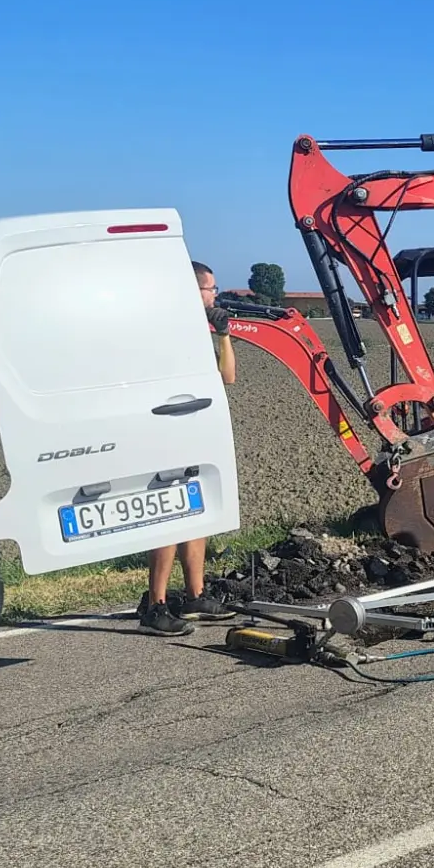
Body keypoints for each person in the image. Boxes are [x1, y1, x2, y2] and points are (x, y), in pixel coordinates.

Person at [140, 261, 240, 635]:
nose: (215, 294)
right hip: (166, 430)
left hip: (196, 430)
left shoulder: (203, 331)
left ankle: (195, 595)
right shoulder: (166, 330)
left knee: (196, 514)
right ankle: (155, 604)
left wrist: (224, 335)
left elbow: (227, 376)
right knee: (168, 516)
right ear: (191, 291)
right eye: (209, 289)